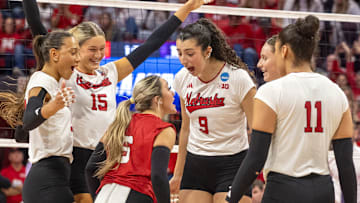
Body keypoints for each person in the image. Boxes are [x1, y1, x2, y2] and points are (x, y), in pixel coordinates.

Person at [22, 0, 210, 202]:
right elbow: (39, 31)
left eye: (102, 49)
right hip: (76, 158)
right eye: (92, 49)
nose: (99, 55)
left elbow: (151, 44)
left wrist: (186, 9)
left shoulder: (110, 72)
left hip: (106, 158)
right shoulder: (67, 73)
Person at [226, 15, 357, 203]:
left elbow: (255, 159)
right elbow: (345, 164)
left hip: (284, 189)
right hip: (323, 190)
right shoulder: (337, 93)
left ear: (285, 51)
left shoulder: (270, 92)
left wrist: (231, 199)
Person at [170, 18, 256, 203]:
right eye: (180, 53)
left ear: (208, 51)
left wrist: (259, 169)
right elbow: (186, 128)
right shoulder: (182, 79)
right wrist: (177, 174)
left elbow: (257, 129)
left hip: (232, 164)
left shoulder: (237, 78)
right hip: (195, 165)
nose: (184, 60)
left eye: (190, 54)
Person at [0, 30, 80, 203]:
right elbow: (30, 121)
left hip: (51, 178)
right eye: (73, 52)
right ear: (54, 54)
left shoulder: (53, 83)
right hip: (47, 180)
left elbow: (21, 134)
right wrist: (53, 106)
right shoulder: (41, 81)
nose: (78, 58)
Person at [85, 75, 176, 203]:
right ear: (157, 99)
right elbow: (158, 176)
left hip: (104, 195)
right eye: (168, 88)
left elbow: (91, 168)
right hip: (137, 195)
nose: (172, 93)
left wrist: (97, 198)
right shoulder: (163, 129)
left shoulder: (118, 125)